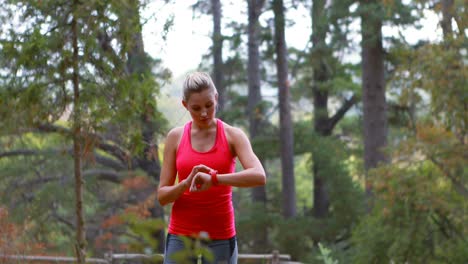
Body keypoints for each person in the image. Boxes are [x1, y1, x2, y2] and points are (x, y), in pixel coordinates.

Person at [157, 72, 266, 264]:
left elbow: (259, 175)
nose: (204, 113)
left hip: (220, 235)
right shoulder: (175, 137)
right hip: (181, 235)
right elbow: (162, 196)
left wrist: (215, 179)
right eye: (196, 108)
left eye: (209, 105)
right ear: (185, 105)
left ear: (216, 98)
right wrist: (185, 184)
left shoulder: (233, 136)